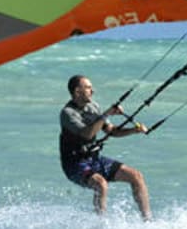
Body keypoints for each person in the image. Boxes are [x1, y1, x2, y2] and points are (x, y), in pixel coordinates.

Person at [59, 74, 152, 220]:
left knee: (136, 176)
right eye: (88, 87)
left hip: (94, 159)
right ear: (77, 91)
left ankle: (148, 221)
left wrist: (134, 130)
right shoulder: (67, 113)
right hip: (74, 164)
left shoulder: (93, 106)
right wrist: (107, 113)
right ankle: (101, 226)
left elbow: (112, 131)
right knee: (101, 184)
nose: (92, 91)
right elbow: (87, 135)